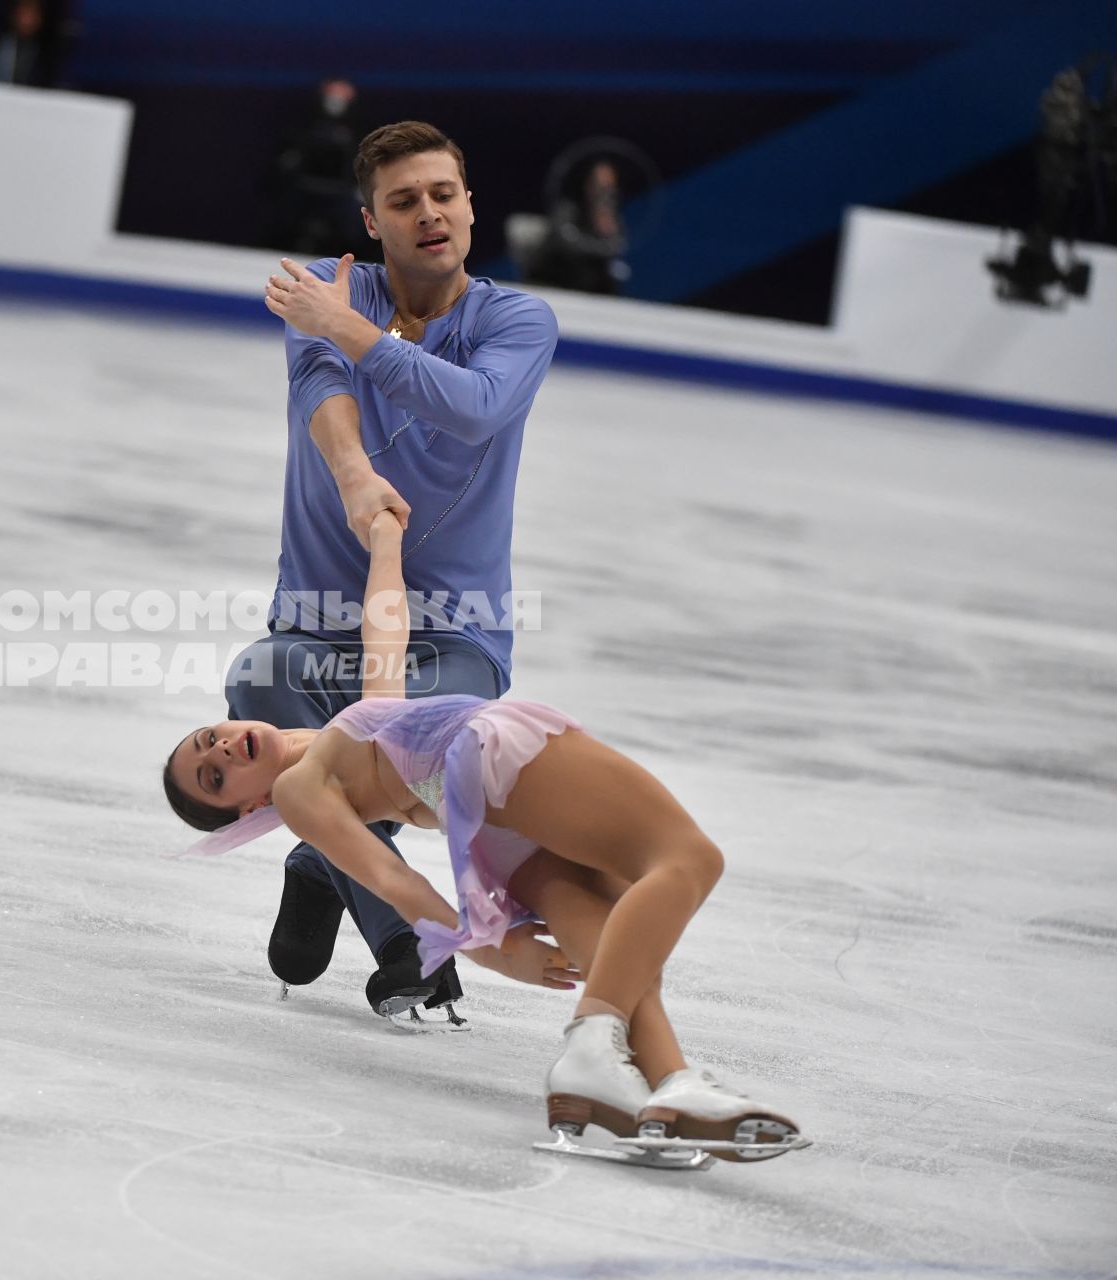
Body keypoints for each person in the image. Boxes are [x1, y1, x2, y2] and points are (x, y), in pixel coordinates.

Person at [167, 511, 807, 1164]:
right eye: (214, 776)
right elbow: (392, 880)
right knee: (687, 858)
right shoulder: (299, 792)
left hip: (483, 822)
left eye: (204, 740)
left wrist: (386, 544)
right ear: (248, 810)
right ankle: (591, 1051)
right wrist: (489, 950)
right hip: (490, 757)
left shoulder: (332, 744)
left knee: (609, 930)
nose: (220, 748)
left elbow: (385, 630)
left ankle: (665, 1085)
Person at [229, 120, 558, 1024]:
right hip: (319, 614)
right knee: (259, 680)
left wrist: (345, 328)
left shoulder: (516, 319)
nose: (429, 214)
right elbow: (320, 389)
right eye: (404, 201)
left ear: (470, 204)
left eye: (444, 194)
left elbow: (477, 410)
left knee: (413, 744)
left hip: (456, 626)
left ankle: (316, 860)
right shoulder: (331, 293)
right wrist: (351, 473)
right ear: (370, 221)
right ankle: (404, 940)